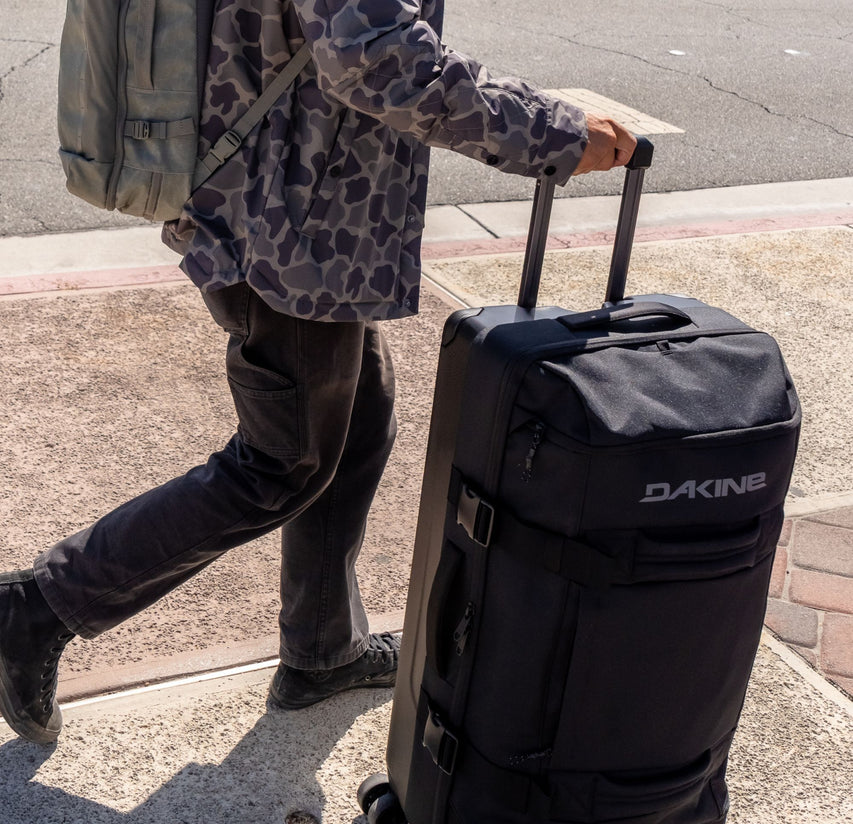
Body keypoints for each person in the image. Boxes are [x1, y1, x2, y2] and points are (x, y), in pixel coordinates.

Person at [0, 0, 636, 745]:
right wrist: (556, 132)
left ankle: (323, 649)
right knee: (282, 463)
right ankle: (38, 607)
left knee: (358, 422)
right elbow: (375, 57)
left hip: (285, 205)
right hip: (293, 227)